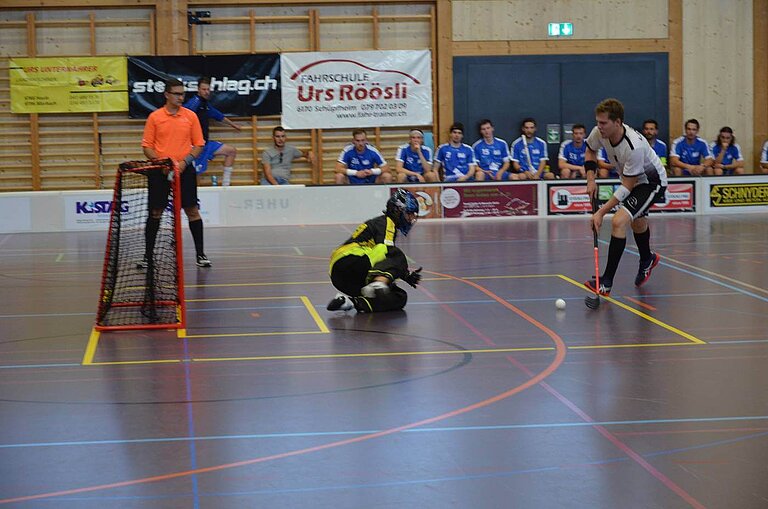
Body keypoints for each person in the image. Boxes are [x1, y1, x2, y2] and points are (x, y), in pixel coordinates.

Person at [583, 98, 668, 295]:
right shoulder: (599, 133)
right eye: (598, 122)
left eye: (603, 123)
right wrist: (590, 180)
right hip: (632, 180)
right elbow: (590, 150)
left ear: (618, 122)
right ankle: (648, 258)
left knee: (619, 221)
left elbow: (627, 186)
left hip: (651, 183)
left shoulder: (633, 146)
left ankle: (606, 282)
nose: (599, 126)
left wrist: (601, 213)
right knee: (637, 221)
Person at [140, 78, 210, 268]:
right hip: (160, 171)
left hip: (184, 171)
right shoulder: (155, 117)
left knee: (192, 211)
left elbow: (199, 145)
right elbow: (147, 146)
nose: (181, 97)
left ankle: (201, 255)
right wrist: (160, 163)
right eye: (177, 94)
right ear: (167, 95)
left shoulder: (190, 116)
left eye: (183, 94)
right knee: (155, 212)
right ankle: (147, 256)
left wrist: (184, 163)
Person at [326, 189, 423, 313]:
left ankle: (350, 302)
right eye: (409, 214)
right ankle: (378, 283)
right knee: (396, 254)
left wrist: (405, 275)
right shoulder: (387, 222)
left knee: (399, 297)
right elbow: (386, 251)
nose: (410, 219)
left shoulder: (382, 223)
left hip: (341, 278)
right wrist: (405, 274)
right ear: (398, 210)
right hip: (350, 260)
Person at [183, 77, 241, 186]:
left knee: (231, 151)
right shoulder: (194, 103)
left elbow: (219, 116)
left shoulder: (206, 105)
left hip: (206, 144)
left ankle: (225, 186)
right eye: (204, 89)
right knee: (195, 178)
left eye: (208, 89)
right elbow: (183, 117)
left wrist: (234, 125)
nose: (206, 92)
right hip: (195, 147)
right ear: (198, 90)